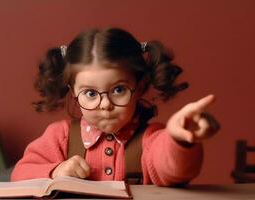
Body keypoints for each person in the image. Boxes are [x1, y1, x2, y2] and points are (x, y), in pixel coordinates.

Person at [11, 27, 219, 186]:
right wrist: (55, 171)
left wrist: (178, 137)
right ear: (73, 92)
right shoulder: (60, 136)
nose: (105, 105)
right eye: (90, 94)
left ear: (139, 87)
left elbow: (175, 171)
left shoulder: (151, 140)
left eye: (118, 90)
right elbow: (20, 174)